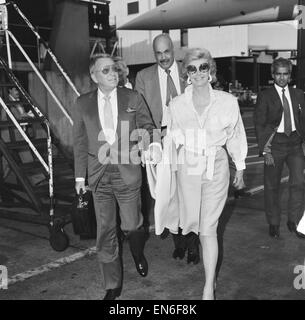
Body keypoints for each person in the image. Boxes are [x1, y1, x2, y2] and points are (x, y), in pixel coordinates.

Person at [73, 53, 161, 300]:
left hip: (128, 172)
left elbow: (148, 126)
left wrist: (150, 146)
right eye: (105, 71)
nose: (113, 73)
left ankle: (136, 250)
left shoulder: (132, 97)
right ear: (93, 76)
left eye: (114, 69)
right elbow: (79, 142)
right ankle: (112, 284)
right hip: (98, 177)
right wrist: (80, 178)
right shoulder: (82, 103)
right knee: (106, 231)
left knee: (132, 225)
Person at [162, 48, 247, 299]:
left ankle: (209, 286)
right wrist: (158, 155)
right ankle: (207, 275)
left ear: (210, 70)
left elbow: (235, 134)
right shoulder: (176, 105)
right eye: (192, 68)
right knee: (194, 225)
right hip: (188, 165)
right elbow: (172, 138)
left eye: (203, 67)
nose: (198, 73)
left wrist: (239, 166)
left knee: (209, 227)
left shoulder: (227, 101)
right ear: (186, 73)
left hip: (216, 163)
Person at [135, 33, 200, 264]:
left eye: (166, 52)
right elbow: (141, 116)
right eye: (158, 54)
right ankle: (179, 244)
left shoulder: (189, 70)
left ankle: (193, 247)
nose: (163, 58)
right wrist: (151, 145)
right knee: (168, 195)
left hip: (188, 139)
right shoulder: (143, 77)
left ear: (174, 51)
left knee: (189, 194)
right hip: (159, 139)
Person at [254, 57, 305, 239]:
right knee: (272, 186)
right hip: (274, 145)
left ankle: (294, 220)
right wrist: (265, 150)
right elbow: (259, 124)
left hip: (295, 144)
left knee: (299, 183)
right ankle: (274, 222)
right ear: (273, 75)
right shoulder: (265, 96)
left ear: (290, 75)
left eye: (285, 74)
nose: (282, 78)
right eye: (278, 74)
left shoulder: (299, 94)